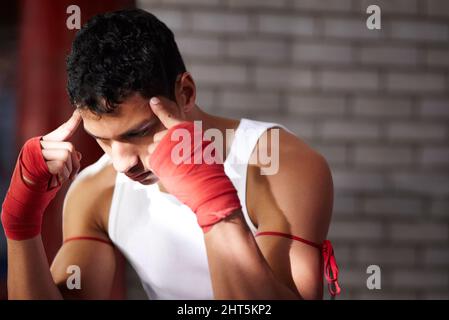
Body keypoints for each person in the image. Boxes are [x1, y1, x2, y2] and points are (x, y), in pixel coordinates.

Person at [1, 8, 340, 300]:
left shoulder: (279, 164)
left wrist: (214, 203)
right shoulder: (97, 191)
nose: (123, 163)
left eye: (139, 132)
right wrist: (21, 225)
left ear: (186, 93)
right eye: (103, 140)